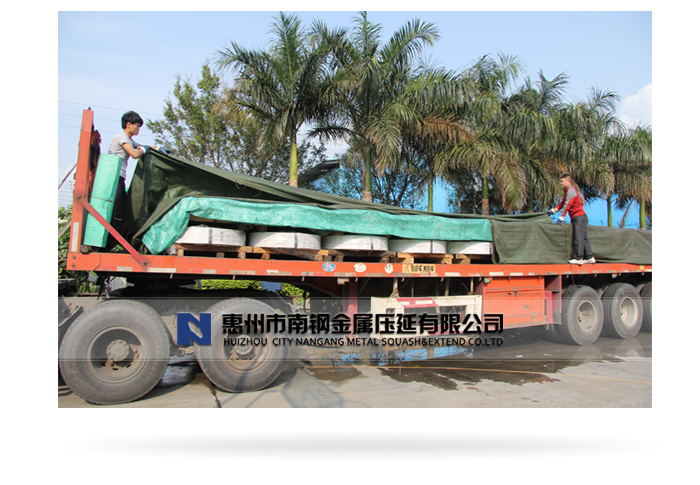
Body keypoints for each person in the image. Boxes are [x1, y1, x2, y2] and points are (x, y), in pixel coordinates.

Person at [108, 111, 151, 233]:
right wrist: (144, 150)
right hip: (114, 178)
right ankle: (112, 241)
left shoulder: (129, 140)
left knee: (121, 209)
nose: (138, 129)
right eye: (137, 126)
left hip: (120, 178)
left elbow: (142, 146)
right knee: (116, 212)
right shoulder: (121, 137)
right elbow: (135, 154)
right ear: (128, 125)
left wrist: (155, 149)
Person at [547, 174, 595, 265]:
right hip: (578, 217)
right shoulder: (567, 191)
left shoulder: (571, 192)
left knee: (578, 237)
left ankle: (578, 258)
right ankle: (590, 257)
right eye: (560, 181)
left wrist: (562, 216)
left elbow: (567, 205)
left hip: (579, 217)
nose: (561, 183)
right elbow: (563, 203)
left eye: (562, 181)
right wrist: (553, 210)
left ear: (568, 182)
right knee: (584, 237)